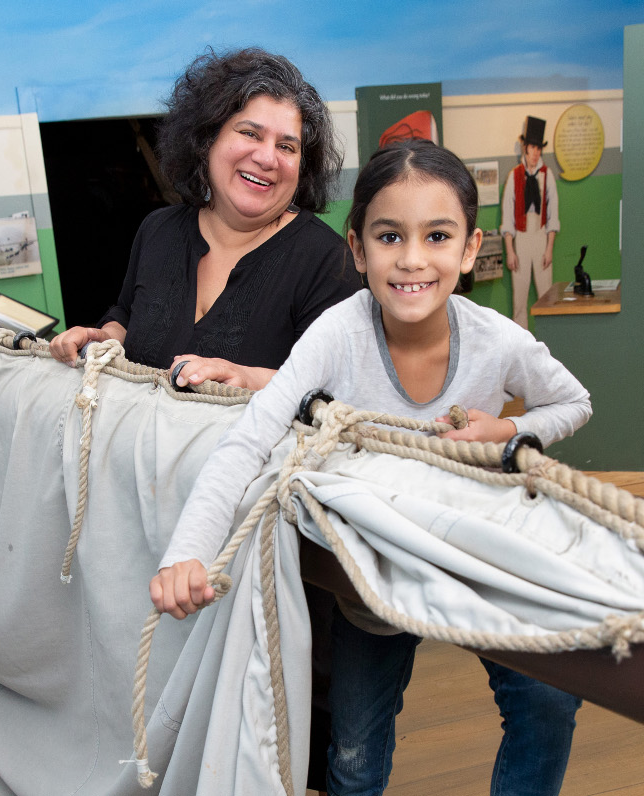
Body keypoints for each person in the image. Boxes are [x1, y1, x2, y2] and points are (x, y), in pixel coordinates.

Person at [149, 139, 591, 796]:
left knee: (549, 703)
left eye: (437, 236)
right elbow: (250, 439)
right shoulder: (338, 333)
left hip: (474, 554)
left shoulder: (498, 340)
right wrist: (187, 550)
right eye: (390, 236)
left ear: (470, 249)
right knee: (354, 755)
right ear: (357, 250)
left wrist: (508, 428)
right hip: (373, 576)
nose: (412, 259)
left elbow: (572, 401)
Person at [48, 48, 359, 390]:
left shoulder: (328, 262)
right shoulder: (158, 231)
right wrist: (102, 338)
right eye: (250, 133)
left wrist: (247, 378)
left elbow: (338, 388)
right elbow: (127, 315)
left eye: (287, 147)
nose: (267, 157)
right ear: (207, 140)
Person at [500, 116, 560, 330]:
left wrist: (549, 248)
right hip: (521, 240)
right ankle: (522, 351)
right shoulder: (514, 176)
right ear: (525, 148)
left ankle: (548, 347)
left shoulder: (547, 175)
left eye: (538, 149)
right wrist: (510, 250)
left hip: (541, 237)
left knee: (547, 298)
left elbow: (553, 214)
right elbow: (507, 216)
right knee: (519, 301)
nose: (535, 153)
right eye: (531, 148)